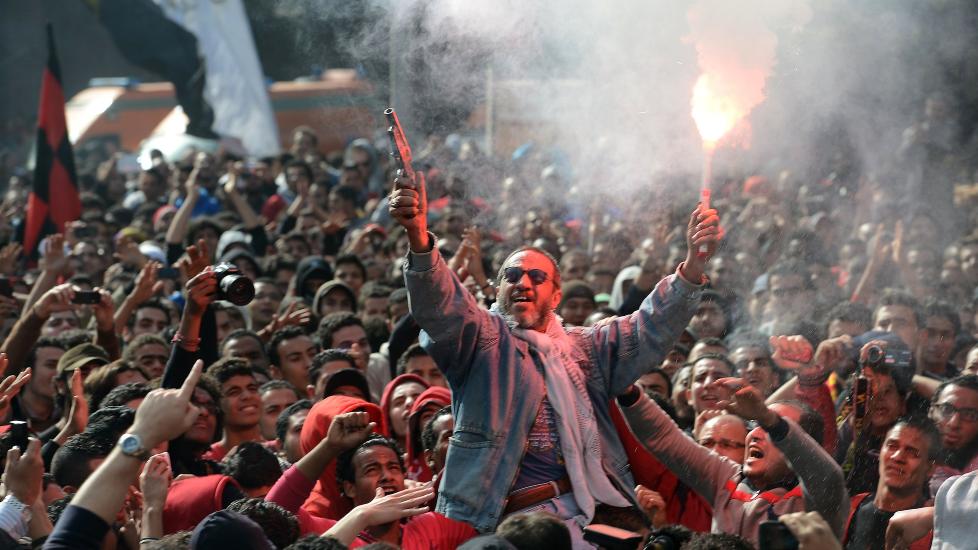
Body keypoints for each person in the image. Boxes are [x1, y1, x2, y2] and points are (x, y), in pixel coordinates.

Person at [389, 168, 720, 536]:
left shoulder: (587, 347)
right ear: (497, 290)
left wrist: (693, 266)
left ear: (556, 295)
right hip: (498, 521)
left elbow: (649, 327)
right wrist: (419, 238)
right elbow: (441, 310)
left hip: (588, 514)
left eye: (536, 276)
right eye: (512, 276)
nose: (523, 283)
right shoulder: (482, 339)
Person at [618, 375, 846, 545]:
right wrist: (626, 389)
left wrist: (769, 419)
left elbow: (827, 475)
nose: (756, 434)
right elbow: (665, 438)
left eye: (770, 429)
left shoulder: (817, 499)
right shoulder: (727, 478)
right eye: (755, 425)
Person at [841, 418, 939, 550]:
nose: (898, 457)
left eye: (912, 452)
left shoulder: (932, 528)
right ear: (880, 451)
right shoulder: (852, 507)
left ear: (930, 468)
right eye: (892, 446)